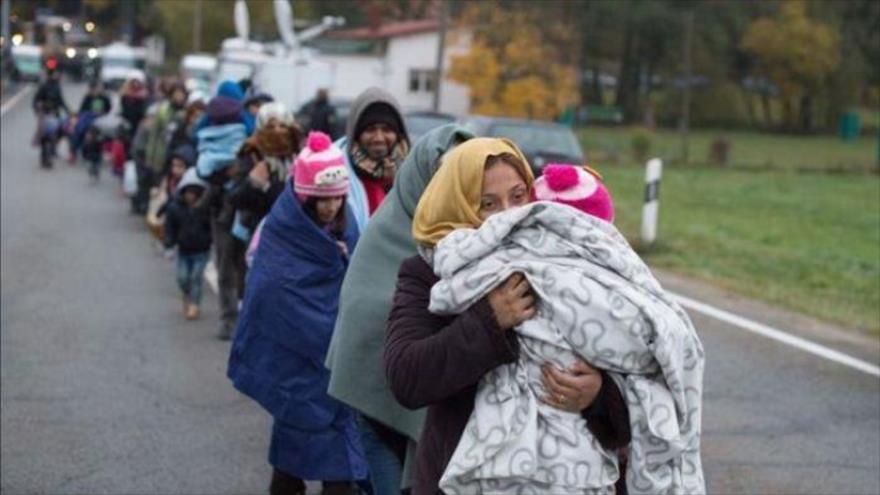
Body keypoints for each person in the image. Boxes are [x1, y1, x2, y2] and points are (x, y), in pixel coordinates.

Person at [383, 139, 634, 495]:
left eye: (518, 197)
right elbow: (406, 376)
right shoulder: (430, 272)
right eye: (488, 204)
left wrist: (598, 395)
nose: (508, 214)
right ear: (458, 206)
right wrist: (487, 321)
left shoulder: (574, 261)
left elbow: (643, 377)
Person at [326, 124, 476, 495]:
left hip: (444, 413)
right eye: (443, 173)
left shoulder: (475, 242)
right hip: (378, 413)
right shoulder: (386, 232)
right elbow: (361, 316)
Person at [228, 132, 367, 495]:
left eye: (337, 198)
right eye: (321, 200)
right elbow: (271, 291)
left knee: (338, 473)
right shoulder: (282, 230)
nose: (330, 208)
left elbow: (355, 278)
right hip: (297, 370)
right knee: (291, 469)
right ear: (304, 195)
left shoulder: (347, 222)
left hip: (336, 374)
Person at [196, 91, 249, 340]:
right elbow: (204, 170)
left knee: (243, 265)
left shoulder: (250, 140)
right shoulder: (210, 141)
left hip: (247, 212)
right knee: (225, 266)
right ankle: (229, 318)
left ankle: (242, 315)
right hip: (223, 213)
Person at [335, 87, 410, 234]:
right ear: (356, 134)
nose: (379, 138)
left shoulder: (412, 174)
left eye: (387, 130)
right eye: (370, 130)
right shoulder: (335, 170)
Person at [227, 102, 302, 244]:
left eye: (282, 126)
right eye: (270, 127)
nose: (277, 132)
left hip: (294, 232)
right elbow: (234, 197)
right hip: (259, 233)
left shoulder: (301, 156)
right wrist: (253, 183)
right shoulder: (251, 154)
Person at [163, 168, 213, 320]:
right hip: (183, 250)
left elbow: (211, 226)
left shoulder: (205, 209)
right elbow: (170, 228)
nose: (190, 195)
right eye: (188, 192)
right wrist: (169, 245)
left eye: (194, 192)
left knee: (196, 278)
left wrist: (211, 240)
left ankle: (195, 305)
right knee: (182, 278)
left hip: (201, 250)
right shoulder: (174, 208)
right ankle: (187, 295)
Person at [120, 71, 150, 136]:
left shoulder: (144, 94)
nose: (135, 84)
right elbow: (123, 107)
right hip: (127, 120)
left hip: (139, 121)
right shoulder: (125, 94)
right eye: (134, 81)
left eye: (137, 82)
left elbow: (144, 108)